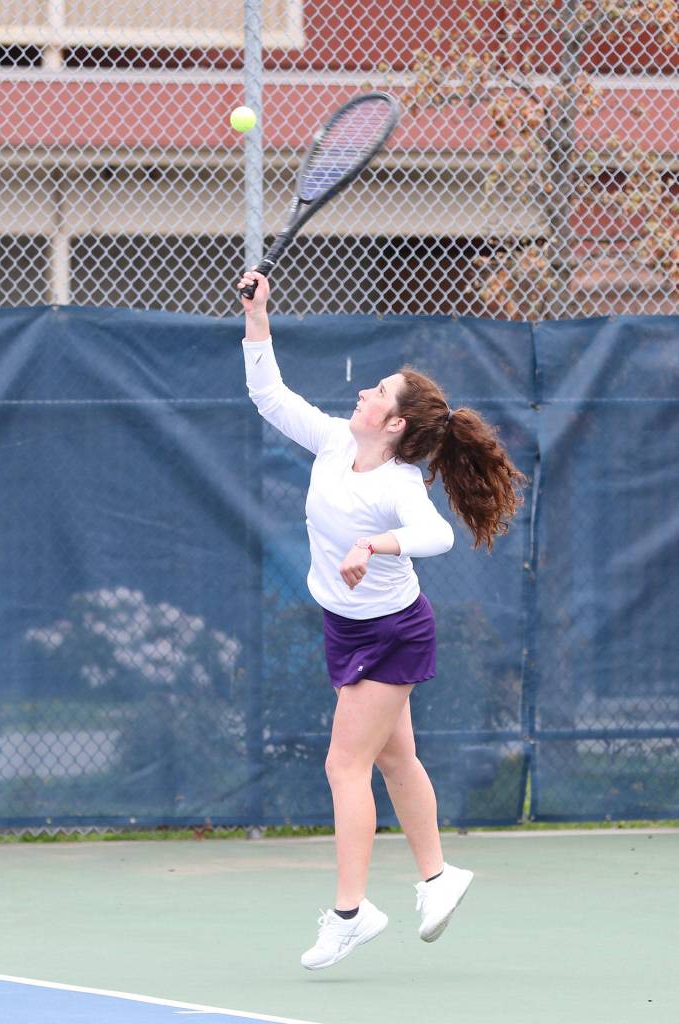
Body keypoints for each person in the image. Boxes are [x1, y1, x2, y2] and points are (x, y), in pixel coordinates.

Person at [237, 269, 526, 971]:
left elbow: (438, 538)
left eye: (378, 391)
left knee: (345, 765)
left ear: (393, 423)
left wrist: (375, 543)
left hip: (390, 631)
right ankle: (437, 877)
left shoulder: (398, 486)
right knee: (394, 756)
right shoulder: (337, 443)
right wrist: (258, 318)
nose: (363, 391)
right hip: (349, 624)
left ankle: (350, 913)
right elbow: (268, 395)